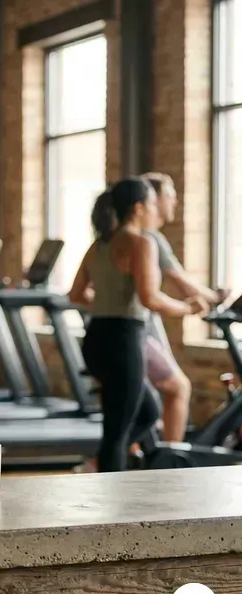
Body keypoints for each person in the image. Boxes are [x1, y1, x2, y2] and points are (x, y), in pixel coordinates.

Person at [68, 178, 211, 473]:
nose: (156, 210)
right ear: (138, 208)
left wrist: (109, 300)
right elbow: (150, 298)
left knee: (147, 413)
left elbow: (77, 294)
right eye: (152, 205)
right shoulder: (142, 243)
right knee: (116, 433)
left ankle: (110, 473)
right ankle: (112, 508)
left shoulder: (99, 245)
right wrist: (187, 308)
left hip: (96, 338)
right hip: (123, 339)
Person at [139, 173, 231, 444]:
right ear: (154, 200)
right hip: (135, 331)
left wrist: (209, 298)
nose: (175, 201)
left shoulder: (129, 237)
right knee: (178, 388)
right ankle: (171, 460)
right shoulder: (149, 239)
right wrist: (209, 299)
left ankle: (137, 455)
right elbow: (177, 281)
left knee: (136, 400)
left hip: (121, 331)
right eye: (170, 195)